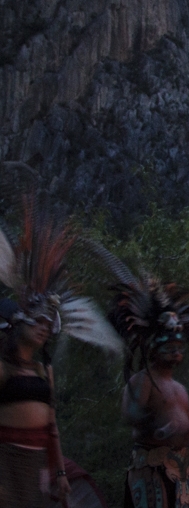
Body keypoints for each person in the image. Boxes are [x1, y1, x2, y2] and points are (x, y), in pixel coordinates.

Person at [0, 208, 121, 507]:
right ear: (20, 321)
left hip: (38, 463)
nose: (43, 329)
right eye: (38, 321)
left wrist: (59, 471)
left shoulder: (44, 371)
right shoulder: (3, 368)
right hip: (6, 462)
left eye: (48, 324)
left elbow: (52, 427)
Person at [109, 278, 189, 508]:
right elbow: (130, 414)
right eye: (169, 346)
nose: (176, 351)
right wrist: (157, 429)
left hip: (179, 471)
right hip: (150, 469)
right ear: (153, 348)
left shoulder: (180, 389)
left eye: (179, 347)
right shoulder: (143, 380)